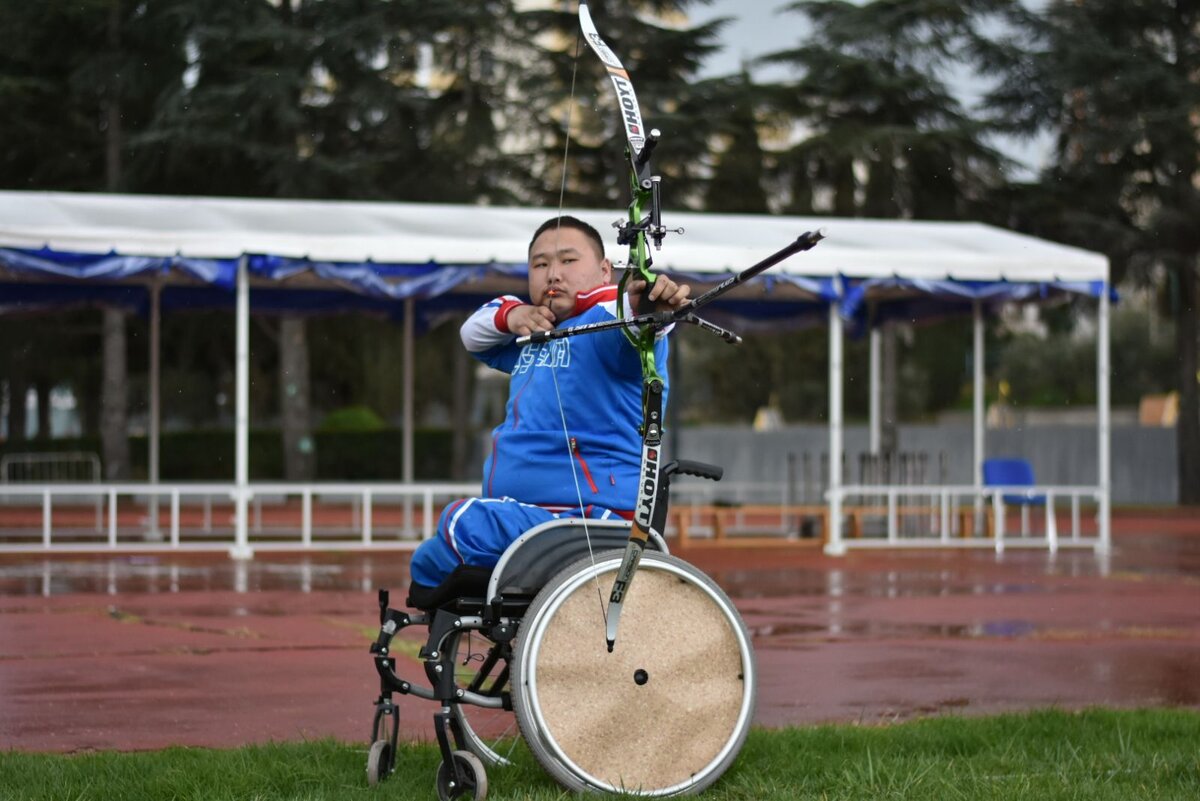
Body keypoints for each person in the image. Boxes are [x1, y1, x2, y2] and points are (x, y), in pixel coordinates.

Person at [409, 216, 690, 588]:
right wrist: (514, 314)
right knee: (426, 563)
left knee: (461, 521)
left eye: (568, 261)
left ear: (605, 270)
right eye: (540, 264)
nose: (553, 274)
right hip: (532, 519)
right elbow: (472, 334)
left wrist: (646, 307)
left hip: (590, 521)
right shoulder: (534, 333)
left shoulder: (605, 324)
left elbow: (634, 321)